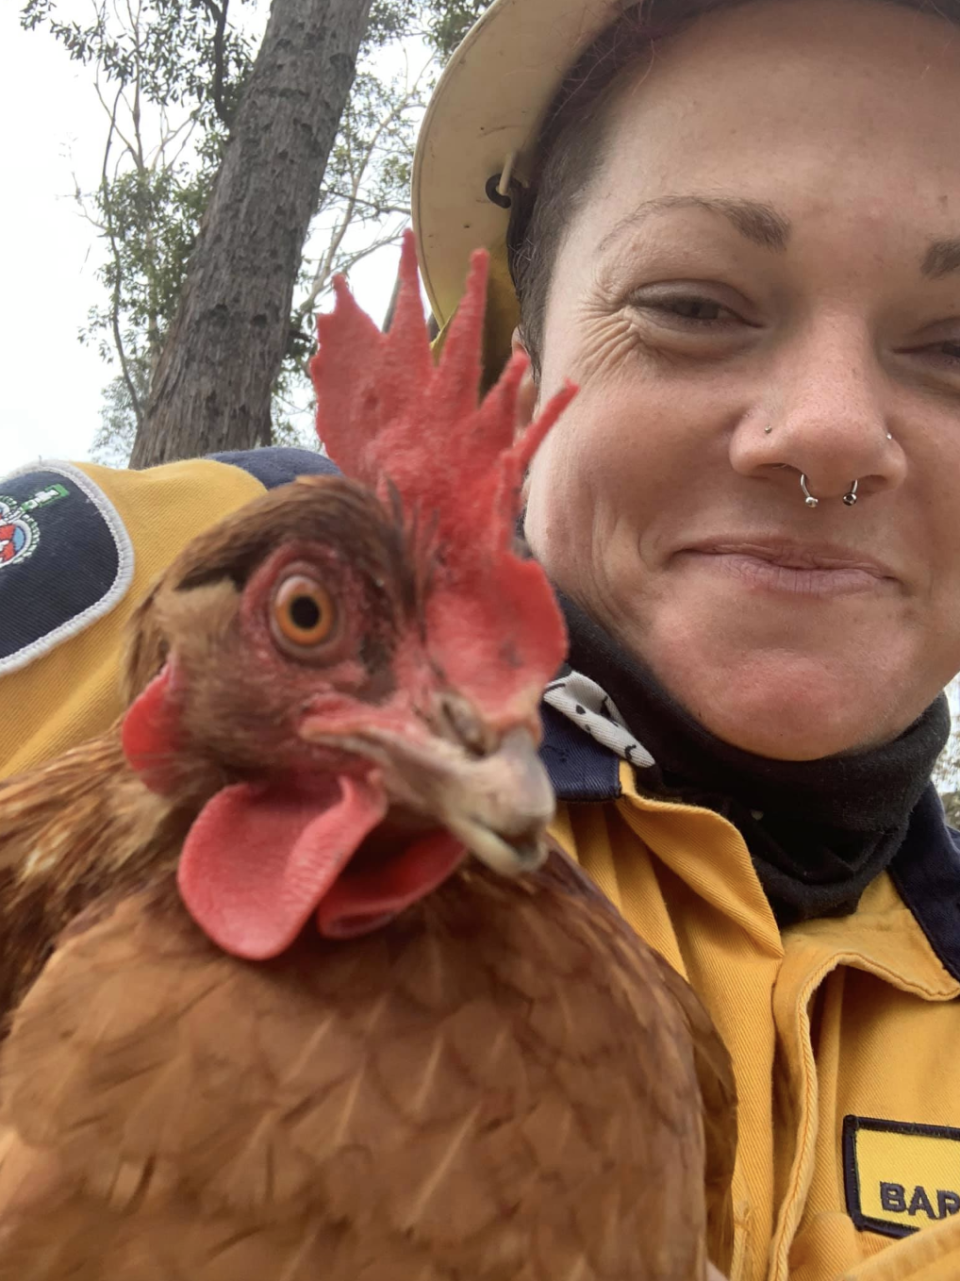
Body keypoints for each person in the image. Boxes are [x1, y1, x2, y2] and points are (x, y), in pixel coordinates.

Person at [4, 0, 960, 1276]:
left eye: (957, 346)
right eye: (693, 302)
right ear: (528, 349)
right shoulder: (151, 579)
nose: (832, 431)